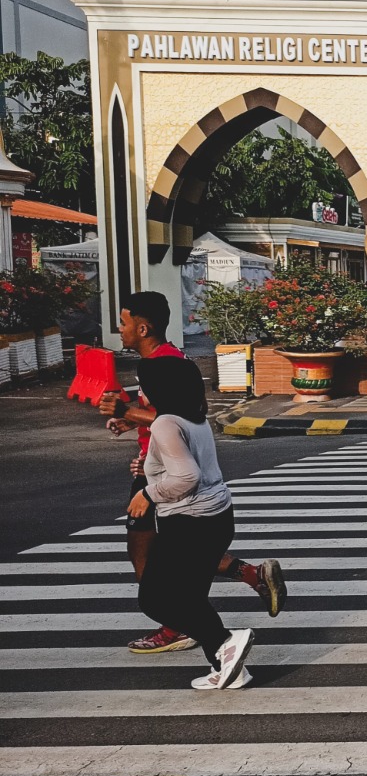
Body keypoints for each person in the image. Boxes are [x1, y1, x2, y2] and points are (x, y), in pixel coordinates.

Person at [99, 292, 286, 653]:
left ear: (142, 326)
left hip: (169, 476)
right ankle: (242, 582)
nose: (118, 330)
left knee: (151, 555)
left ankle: (179, 624)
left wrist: (128, 410)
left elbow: (180, 418)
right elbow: (173, 418)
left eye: (123, 323)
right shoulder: (168, 361)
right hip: (163, 468)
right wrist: (129, 421)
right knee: (175, 551)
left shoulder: (161, 365)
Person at [131, 356, 253, 689]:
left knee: (156, 598)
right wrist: (150, 469)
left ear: (159, 389)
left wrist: (148, 493)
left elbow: (186, 476)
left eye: (143, 386)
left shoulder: (165, 423)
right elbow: (186, 465)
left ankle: (227, 641)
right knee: (191, 597)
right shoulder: (191, 419)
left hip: (190, 522)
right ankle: (230, 667)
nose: (140, 392)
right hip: (216, 519)